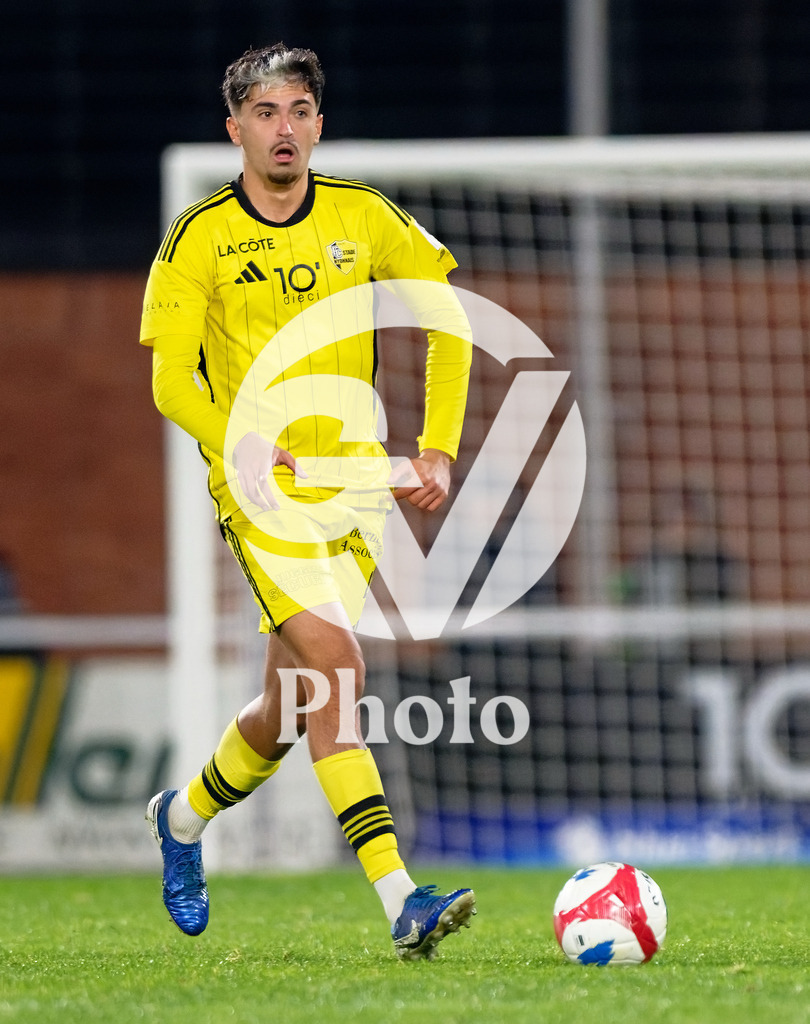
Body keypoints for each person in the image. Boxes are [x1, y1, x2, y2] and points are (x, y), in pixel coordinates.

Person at [139, 43, 475, 961]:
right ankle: (403, 900)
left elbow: (448, 322)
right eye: (264, 112)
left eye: (298, 111)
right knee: (338, 670)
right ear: (234, 129)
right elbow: (171, 381)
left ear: (318, 124)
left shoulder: (366, 218)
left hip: (355, 493)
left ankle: (181, 817)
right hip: (261, 494)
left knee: (286, 710)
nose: (282, 128)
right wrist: (236, 435)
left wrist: (437, 444)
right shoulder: (199, 237)